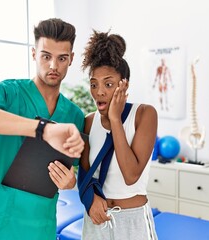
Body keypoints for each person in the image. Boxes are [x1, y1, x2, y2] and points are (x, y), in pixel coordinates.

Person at [0, 18, 85, 240]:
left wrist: (70, 182)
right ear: (34, 54)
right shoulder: (8, 93)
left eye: (62, 58)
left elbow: (75, 168)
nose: (53, 66)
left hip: (37, 222)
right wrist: (43, 130)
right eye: (46, 56)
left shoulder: (74, 116)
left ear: (71, 60)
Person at [78, 30, 158, 240]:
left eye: (109, 84)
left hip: (132, 221)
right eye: (94, 84)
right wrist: (90, 201)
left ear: (124, 84)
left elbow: (131, 175)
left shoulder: (144, 114)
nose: (99, 92)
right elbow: (85, 175)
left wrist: (115, 119)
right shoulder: (88, 121)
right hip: (96, 218)